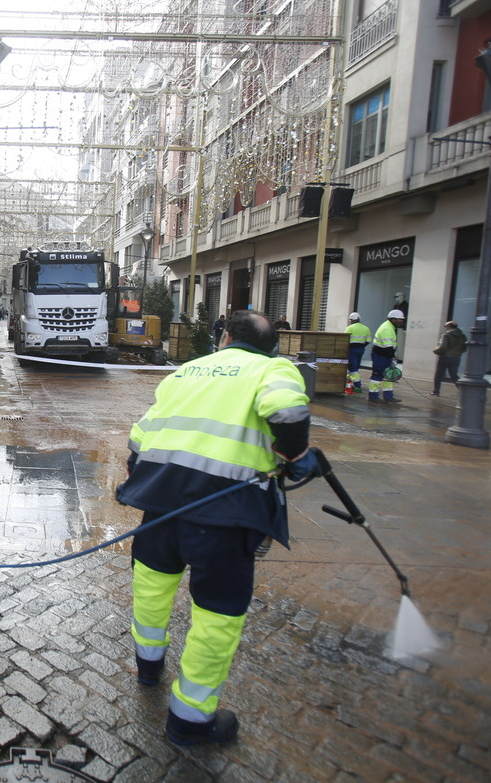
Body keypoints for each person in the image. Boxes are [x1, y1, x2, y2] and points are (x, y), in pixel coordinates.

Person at [116, 310, 314, 746]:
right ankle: (190, 720)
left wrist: (142, 477)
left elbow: (140, 438)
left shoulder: (185, 371)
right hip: (224, 516)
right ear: (273, 346)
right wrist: (298, 456)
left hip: (161, 507)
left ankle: (149, 666)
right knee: (216, 614)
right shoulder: (273, 368)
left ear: (223, 337)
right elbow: (287, 411)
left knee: (151, 586)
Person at [369, 309, 405, 402]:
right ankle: (373, 396)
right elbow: (388, 346)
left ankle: (388, 396)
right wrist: (393, 357)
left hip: (384, 355)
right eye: (400, 320)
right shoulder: (387, 328)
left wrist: (392, 357)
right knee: (377, 376)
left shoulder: (390, 327)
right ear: (393, 319)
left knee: (388, 376)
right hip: (380, 356)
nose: (401, 322)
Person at [432, 320, 467, 396]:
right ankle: (463, 391)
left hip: (445, 357)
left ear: (449, 326)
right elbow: (465, 347)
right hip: (456, 357)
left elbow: (442, 347)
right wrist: (458, 353)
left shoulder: (446, 335)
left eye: (445, 326)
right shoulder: (462, 336)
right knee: (454, 375)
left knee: (438, 375)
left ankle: (436, 392)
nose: (445, 327)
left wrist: (435, 351)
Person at [344, 312, 370, 392]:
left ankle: (357, 386)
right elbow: (368, 341)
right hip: (361, 349)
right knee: (356, 366)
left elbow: (345, 339)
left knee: (353, 368)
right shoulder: (366, 328)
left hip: (352, 349)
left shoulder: (350, 328)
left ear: (352, 320)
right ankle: (349, 380)